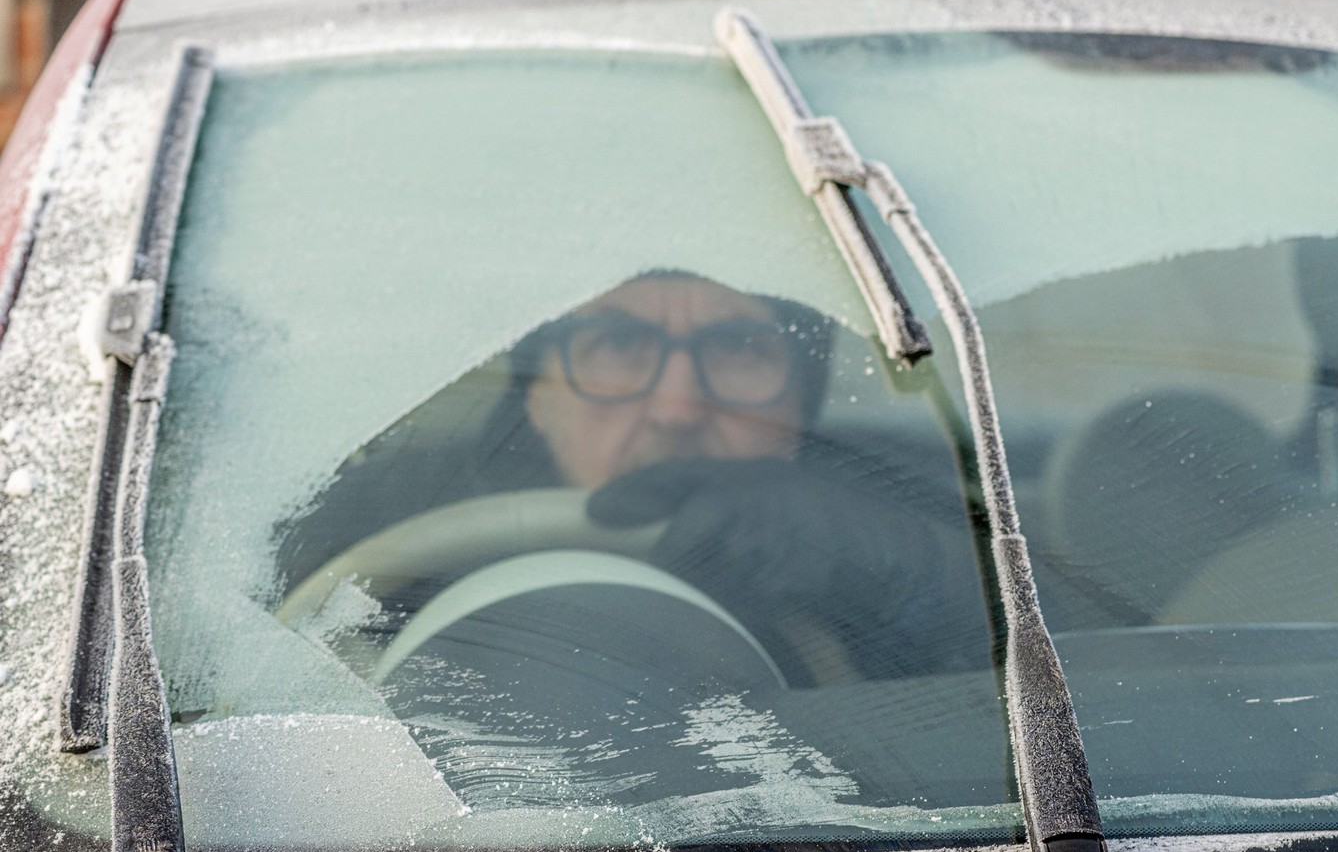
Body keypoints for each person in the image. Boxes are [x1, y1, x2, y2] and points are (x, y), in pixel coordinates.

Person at [277, 271, 989, 684]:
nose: (677, 408)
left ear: (799, 405)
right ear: (539, 394)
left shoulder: (914, 525)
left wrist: (905, 585)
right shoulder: (349, 532)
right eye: (619, 344)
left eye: (738, 348)